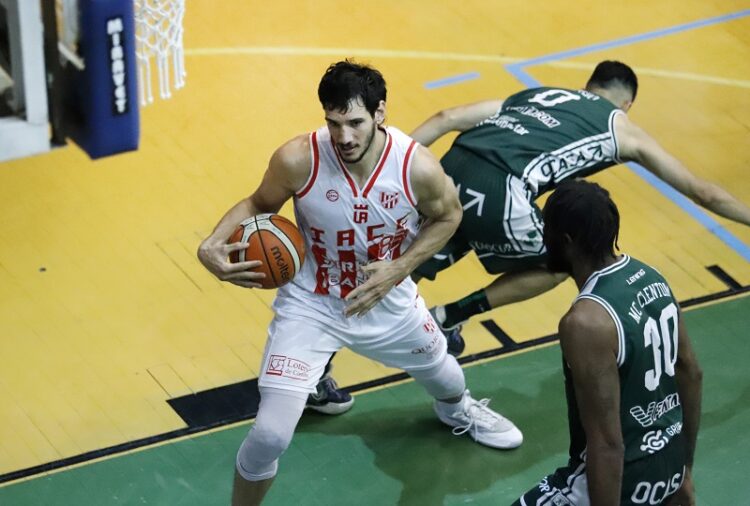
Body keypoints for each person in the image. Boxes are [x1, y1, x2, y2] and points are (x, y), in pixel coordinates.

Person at [197, 60, 523, 506]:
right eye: (334, 123)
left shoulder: (416, 168)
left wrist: (399, 268)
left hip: (387, 302)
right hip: (312, 305)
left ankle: (456, 410)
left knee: (447, 378)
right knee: (270, 435)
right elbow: (258, 202)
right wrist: (211, 243)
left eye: (354, 122)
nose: (344, 137)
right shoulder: (299, 158)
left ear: (380, 113)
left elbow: (449, 216)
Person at [410, 60, 750, 355]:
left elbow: (447, 116)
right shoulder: (621, 128)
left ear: (587, 86)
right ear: (628, 104)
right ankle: (446, 317)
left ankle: (372, 320)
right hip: (504, 187)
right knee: (560, 262)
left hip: (450, 168)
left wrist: (392, 166)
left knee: (406, 264)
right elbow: (703, 193)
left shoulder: (536, 95)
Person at [513, 179, 702, 505]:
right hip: (668, 460)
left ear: (567, 240)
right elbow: (691, 372)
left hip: (617, 479)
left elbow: (607, 444)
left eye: (547, 230)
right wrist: (682, 469)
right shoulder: (651, 276)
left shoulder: (585, 322)